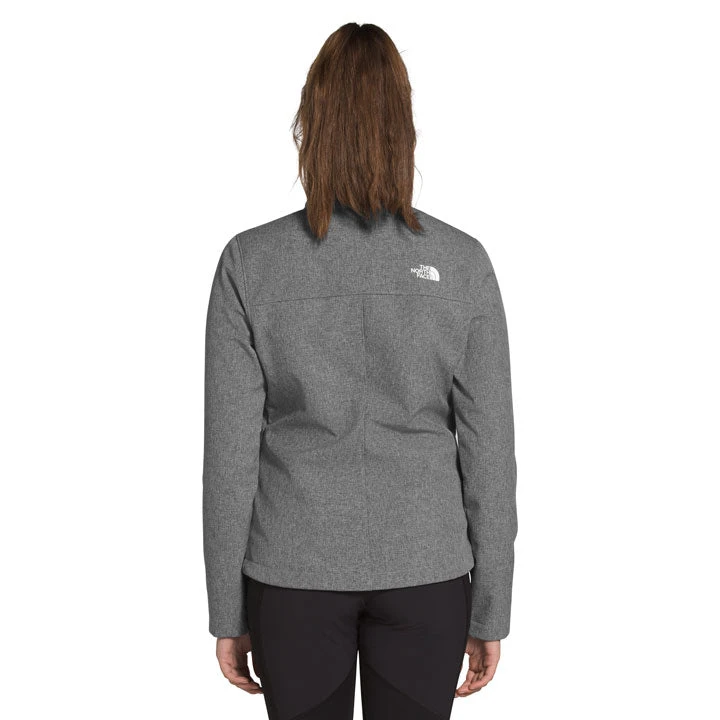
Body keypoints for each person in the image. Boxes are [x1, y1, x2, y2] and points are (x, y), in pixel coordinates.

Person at [202, 21, 518, 720]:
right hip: (427, 573)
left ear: (310, 125)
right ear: (404, 127)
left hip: (292, 573)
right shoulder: (462, 263)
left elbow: (229, 456)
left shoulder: (251, 262)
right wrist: (490, 605)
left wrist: (228, 608)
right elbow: (490, 451)